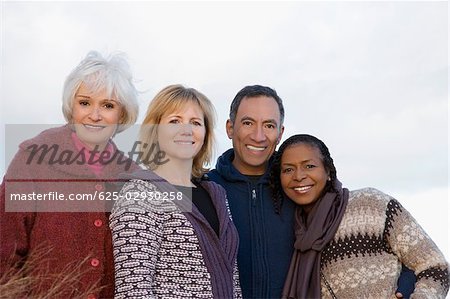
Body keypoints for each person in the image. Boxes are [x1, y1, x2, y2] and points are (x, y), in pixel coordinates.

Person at [208, 85, 418, 298]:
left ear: (280, 133)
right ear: (230, 128)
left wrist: (405, 286)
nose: (259, 136)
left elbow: (403, 254)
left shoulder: (298, 187)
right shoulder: (203, 189)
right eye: (248, 123)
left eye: (269, 125)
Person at [0, 51, 140, 299]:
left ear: (122, 114)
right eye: (84, 103)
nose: (94, 115)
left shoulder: (133, 176)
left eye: (107, 105)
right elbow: (5, 249)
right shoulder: (33, 158)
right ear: (71, 106)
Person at [270, 134, 449, 298]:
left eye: (309, 166)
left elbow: (435, 267)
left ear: (328, 172)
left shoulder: (370, 204)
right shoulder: (291, 229)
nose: (299, 176)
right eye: (288, 170)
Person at [110, 84, 242, 298]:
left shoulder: (216, 194)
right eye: (174, 121)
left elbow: (232, 279)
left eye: (196, 122)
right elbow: (133, 290)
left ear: (205, 133)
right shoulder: (140, 193)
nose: (187, 129)